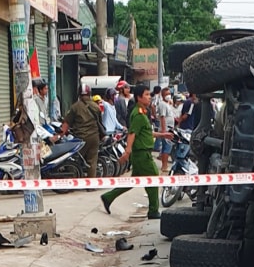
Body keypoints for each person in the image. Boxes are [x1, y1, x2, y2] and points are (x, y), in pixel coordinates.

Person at [100, 85, 173, 220]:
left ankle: (108, 197)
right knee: (153, 178)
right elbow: (132, 134)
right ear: (139, 97)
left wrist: (163, 135)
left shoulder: (142, 112)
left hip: (142, 153)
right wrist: (127, 152)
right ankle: (153, 210)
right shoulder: (138, 114)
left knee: (134, 181)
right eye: (146, 94)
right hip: (141, 154)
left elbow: (145, 132)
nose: (149, 97)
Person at [61, 84, 103, 178]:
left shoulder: (75, 107)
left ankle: (73, 180)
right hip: (94, 137)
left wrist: (59, 135)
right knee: (92, 161)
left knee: (75, 159)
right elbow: (100, 122)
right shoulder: (96, 107)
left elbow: (66, 123)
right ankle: (91, 185)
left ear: (79, 94)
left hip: (81, 138)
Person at [155, 87, 175, 172]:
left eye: (169, 94)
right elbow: (162, 117)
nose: (168, 95)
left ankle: (165, 165)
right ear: (163, 95)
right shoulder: (162, 104)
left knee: (166, 148)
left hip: (169, 128)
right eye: (166, 94)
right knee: (166, 148)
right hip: (166, 129)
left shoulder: (168, 104)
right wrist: (164, 131)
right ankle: (164, 166)